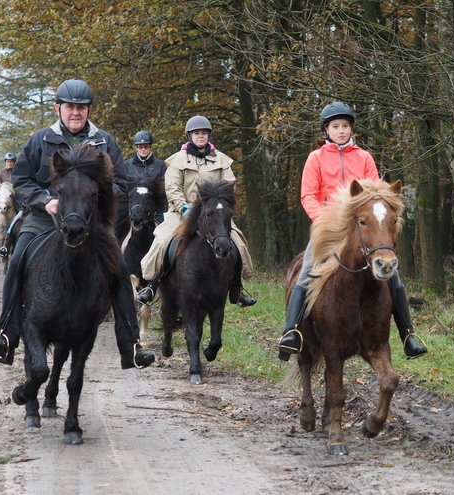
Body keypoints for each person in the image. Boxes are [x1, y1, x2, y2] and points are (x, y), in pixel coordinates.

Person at [0, 78, 154, 370]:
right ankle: (6, 336)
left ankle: (131, 344)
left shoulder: (105, 141)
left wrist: (90, 201)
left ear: (88, 110)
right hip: (43, 218)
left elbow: (121, 182)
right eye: (70, 107)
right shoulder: (40, 139)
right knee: (17, 264)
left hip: (90, 222)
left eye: (81, 108)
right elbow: (21, 180)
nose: (76, 113)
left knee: (121, 271)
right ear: (58, 108)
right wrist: (44, 200)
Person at [278, 101, 428, 361]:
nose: (341, 131)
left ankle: (408, 336)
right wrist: (323, 220)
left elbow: (376, 192)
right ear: (327, 130)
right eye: (336, 126)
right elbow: (308, 195)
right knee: (306, 272)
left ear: (351, 129)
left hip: (361, 230)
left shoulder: (364, 157)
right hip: (329, 228)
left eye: (345, 126)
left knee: (393, 276)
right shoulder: (316, 158)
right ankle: (291, 332)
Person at [137, 115, 256, 307]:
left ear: (208, 135)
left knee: (238, 243)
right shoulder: (178, 160)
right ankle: (151, 285)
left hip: (215, 215)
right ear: (189, 136)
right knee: (162, 241)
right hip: (183, 213)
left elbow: (229, 186)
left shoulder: (221, 160)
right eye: (196, 133)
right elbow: (172, 187)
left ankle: (237, 286)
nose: (200, 136)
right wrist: (183, 206)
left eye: (204, 133)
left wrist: (219, 206)